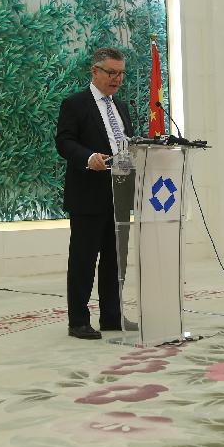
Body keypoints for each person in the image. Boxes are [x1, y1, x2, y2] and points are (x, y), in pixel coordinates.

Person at [55, 47, 133, 339]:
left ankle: (112, 317)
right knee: (83, 261)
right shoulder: (75, 104)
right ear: (95, 71)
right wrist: (89, 158)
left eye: (121, 73)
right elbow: (64, 142)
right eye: (111, 72)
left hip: (119, 193)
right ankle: (78, 321)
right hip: (88, 194)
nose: (117, 79)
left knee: (114, 260)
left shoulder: (121, 107)